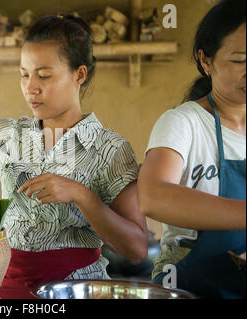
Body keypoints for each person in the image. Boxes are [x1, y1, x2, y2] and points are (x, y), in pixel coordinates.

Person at [0, 15, 148, 299]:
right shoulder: (9, 135)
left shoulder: (109, 149)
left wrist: (82, 195)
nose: (30, 87)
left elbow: (136, 249)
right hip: (4, 289)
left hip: (77, 290)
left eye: (44, 75)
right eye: (24, 74)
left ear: (79, 75)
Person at [138, 0, 245, 299]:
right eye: (240, 60)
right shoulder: (183, 123)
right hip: (187, 285)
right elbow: (153, 196)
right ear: (206, 61)